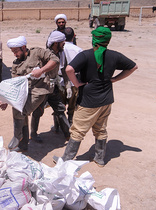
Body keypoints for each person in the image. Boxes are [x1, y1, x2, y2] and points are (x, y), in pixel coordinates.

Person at [55, 27, 138, 167]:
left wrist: (77, 84)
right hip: (106, 99)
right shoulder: (114, 55)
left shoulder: (86, 55)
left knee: (77, 130)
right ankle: (99, 159)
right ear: (107, 40)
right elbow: (133, 67)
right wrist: (115, 79)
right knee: (100, 129)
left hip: (88, 100)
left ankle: (65, 161)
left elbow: (69, 69)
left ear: (94, 39)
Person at [0, 36, 59, 152]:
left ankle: (17, 136)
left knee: (20, 111)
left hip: (39, 90)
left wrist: (41, 70)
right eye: (13, 52)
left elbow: (54, 60)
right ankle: (23, 145)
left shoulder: (37, 52)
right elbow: (15, 84)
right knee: (19, 110)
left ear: (23, 47)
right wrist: (6, 99)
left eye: (16, 51)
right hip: (24, 92)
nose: (15, 54)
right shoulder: (16, 64)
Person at [30, 31, 71, 143]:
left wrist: (68, 86)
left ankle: (68, 134)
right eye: (62, 42)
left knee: (60, 109)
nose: (64, 44)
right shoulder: (45, 54)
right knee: (38, 111)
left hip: (54, 88)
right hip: (43, 88)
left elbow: (65, 70)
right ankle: (33, 134)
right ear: (55, 43)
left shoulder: (62, 54)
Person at [56, 27, 83, 126]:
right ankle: (70, 124)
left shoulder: (58, 49)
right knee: (72, 106)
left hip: (59, 82)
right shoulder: (78, 50)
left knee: (59, 106)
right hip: (74, 81)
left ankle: (58, 126)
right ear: (74, 36)